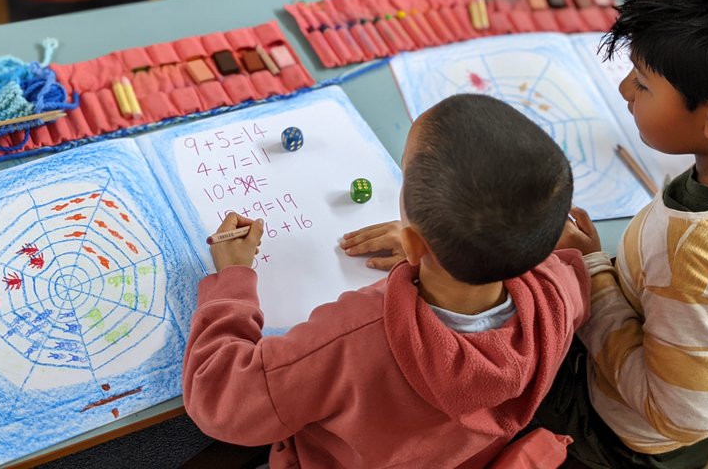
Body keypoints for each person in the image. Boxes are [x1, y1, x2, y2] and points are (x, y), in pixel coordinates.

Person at [182, 94, 589, 468]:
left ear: (412, 243)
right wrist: (436, 252)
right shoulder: (559, 290)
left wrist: (231, 280)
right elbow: (572, 268)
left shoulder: (352, 338)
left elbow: (221, 401)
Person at [534, 0, 708, 469]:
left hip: (612, 432)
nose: (625, 89)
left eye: (643, 82)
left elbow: (681, 414)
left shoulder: (695, 258)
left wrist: (594, 276)